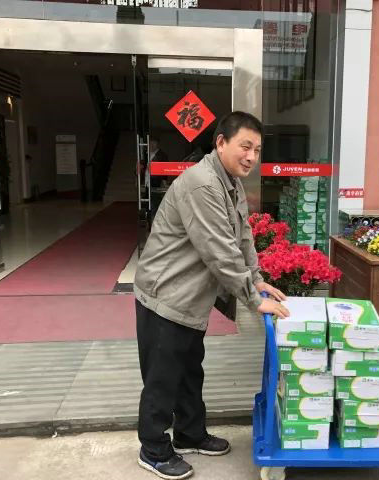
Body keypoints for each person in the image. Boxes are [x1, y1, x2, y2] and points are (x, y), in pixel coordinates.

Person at [134, 111, 290, 479]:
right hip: (166, 296)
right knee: (163, 377)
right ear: (221, 143)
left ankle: (189, 433)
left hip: (190, 298)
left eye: (257, 150)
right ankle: (153, 449)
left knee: (190, 370)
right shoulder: (202, 184)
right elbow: (219, 249)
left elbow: (243, 237)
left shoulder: (230, 182)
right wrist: (253, 300)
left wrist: (257, 279)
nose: (251, 157)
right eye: (245, 147)